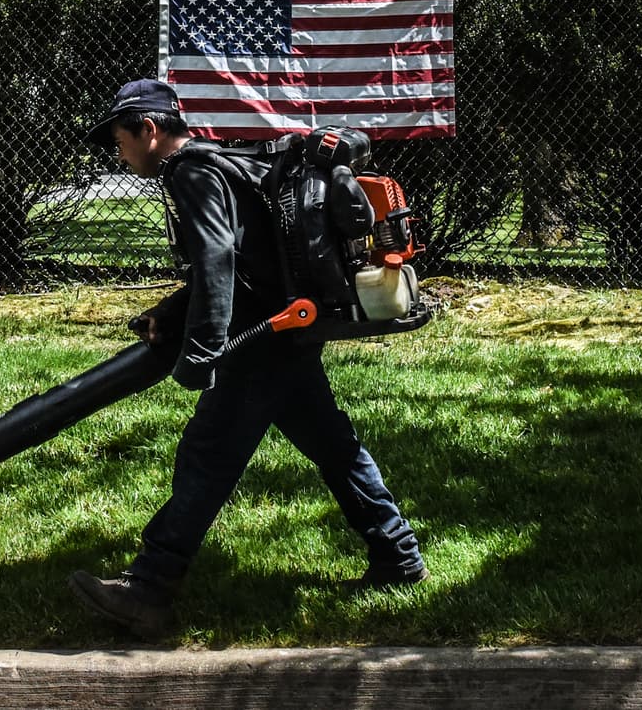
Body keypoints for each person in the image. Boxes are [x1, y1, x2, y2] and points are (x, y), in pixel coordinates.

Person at [68, 78, 425, 639]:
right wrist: (173, 310)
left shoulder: (191, 172)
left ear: (149, 129)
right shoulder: (221, 164)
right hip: (284, 328)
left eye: (120, 141)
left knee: (207, 457)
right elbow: (245, 255)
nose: (119, 153)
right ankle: (398, 556)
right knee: (333, 445)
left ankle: (151, 589)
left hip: (259, 339)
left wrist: (202, 351)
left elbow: (218, 262)